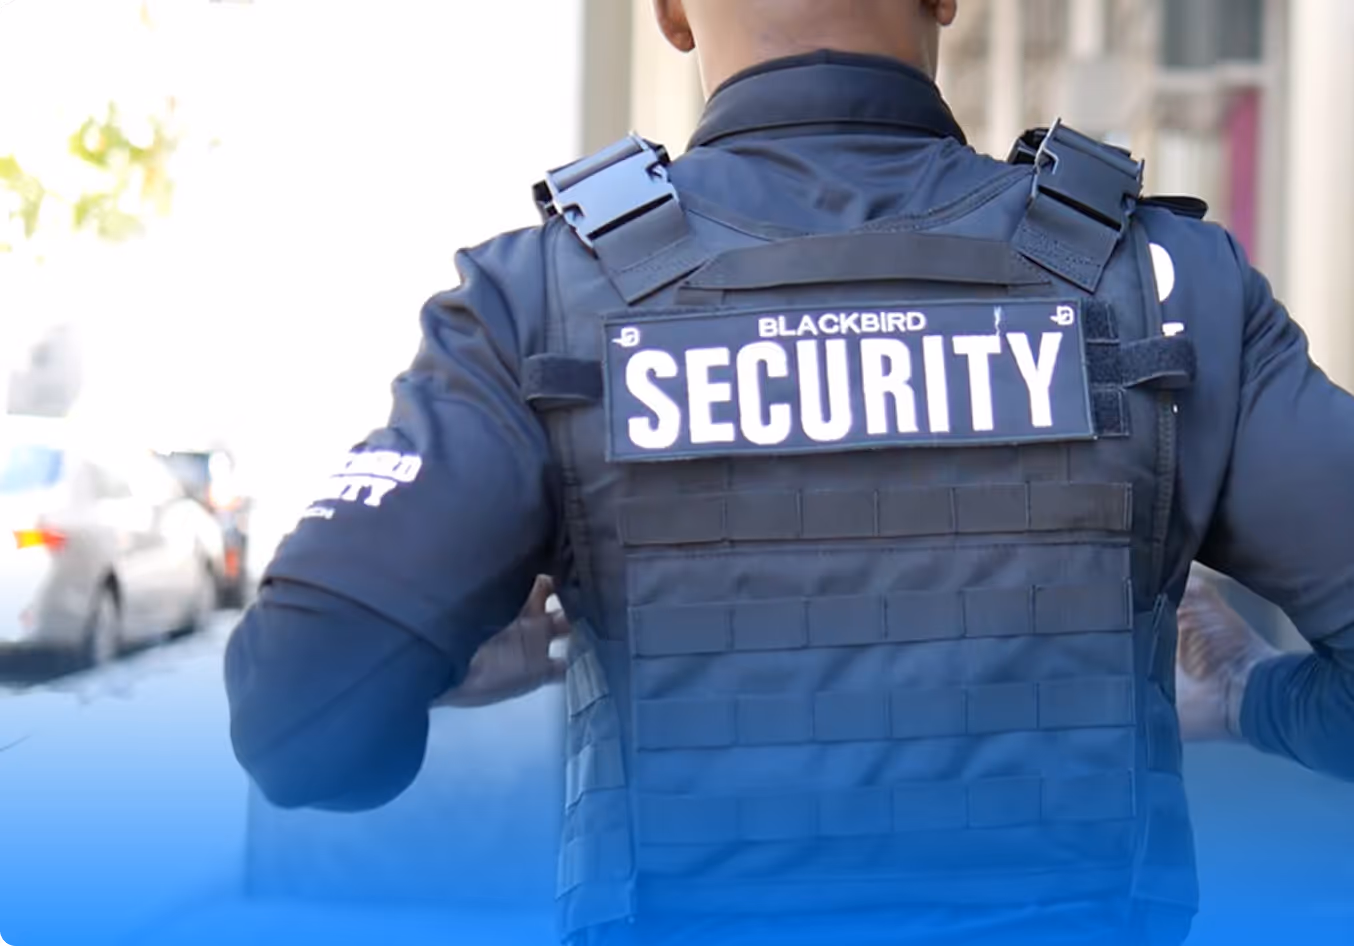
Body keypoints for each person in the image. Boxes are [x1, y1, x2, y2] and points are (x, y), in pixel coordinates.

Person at [224, 1, 1354, 944]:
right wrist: (1257, 698)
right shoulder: (1154, 282)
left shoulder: (542, 304)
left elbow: (303, 726)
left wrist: (434, 664)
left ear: (667, 12)